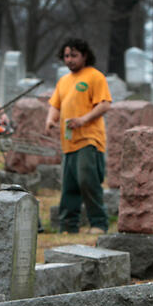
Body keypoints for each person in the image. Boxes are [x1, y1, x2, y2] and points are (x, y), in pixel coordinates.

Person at [45, 38, 111, 234]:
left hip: (89, 139)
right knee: (69, 186)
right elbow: (55, 105)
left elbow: (105, 104)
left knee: (87, 181)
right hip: (68, 142)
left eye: (74, 55)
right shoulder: (64, 81)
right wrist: (50, 120)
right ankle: (68, 226)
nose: (69, 60)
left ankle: (98, 223)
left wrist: (83, 120)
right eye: (66, 56)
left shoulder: (95, 77)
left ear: (84, 56)